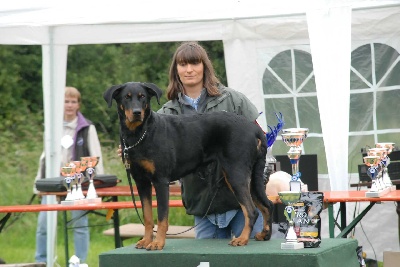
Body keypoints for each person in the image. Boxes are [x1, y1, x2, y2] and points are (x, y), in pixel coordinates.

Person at [117, 41, 266, 239]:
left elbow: (258, 142)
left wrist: (263, 178)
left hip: (238, 204)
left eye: (194, 63)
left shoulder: (233, 100)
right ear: (176, 70)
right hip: (203, 207)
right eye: (183, 65)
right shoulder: (164, 115)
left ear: (205, 66)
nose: (189, 70)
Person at [33, 86, 104, 263]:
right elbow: (44, 156)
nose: (69, 105)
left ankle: (78, 262)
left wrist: (98, 184)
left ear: (78, 105)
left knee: (79, 225)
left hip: (78, 184)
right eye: (66, 101)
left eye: (73, 101)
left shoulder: (87, 128)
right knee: (44, 225)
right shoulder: (51, 128)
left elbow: (96, 157)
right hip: (53, 183)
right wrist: (38, 183)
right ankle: (41, 261)